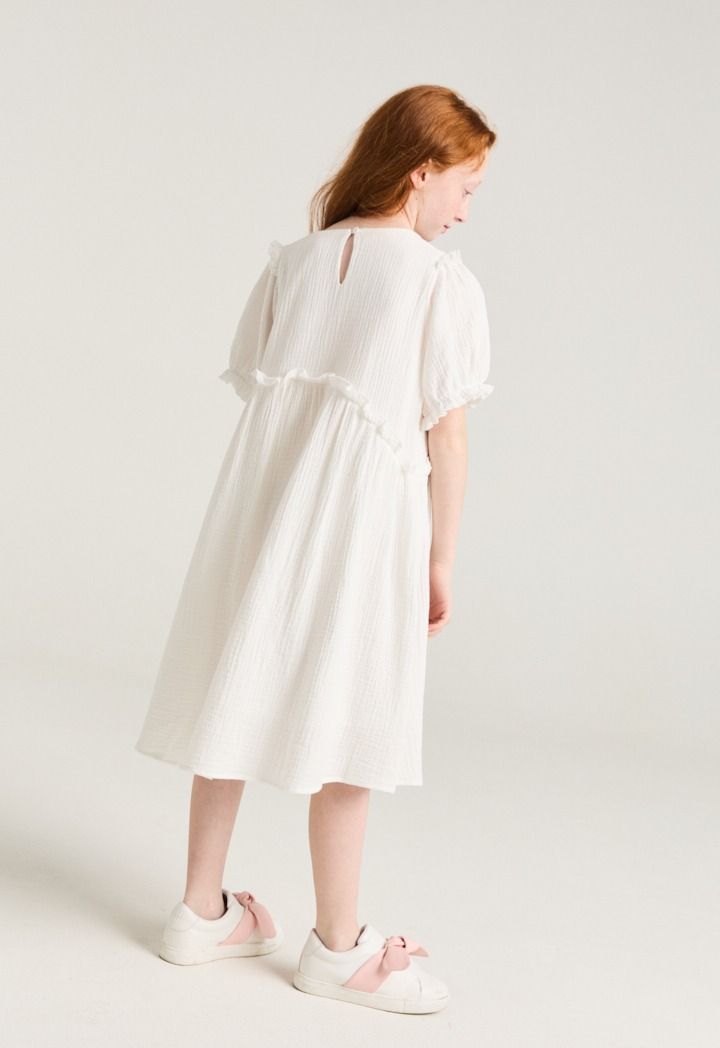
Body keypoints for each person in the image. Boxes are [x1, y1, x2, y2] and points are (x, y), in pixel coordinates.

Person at [134, 84, 497, 1014]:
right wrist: (442, 558)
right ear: (421, 172)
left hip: (263, 510)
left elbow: (268, 393)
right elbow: (447, 436)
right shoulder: (435, 281)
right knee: (351, 711)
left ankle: (200, 912)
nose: (466, 209)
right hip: (364, 517)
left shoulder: (293, 263)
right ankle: (339, 950)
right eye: (465, 186)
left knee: (238, 684)